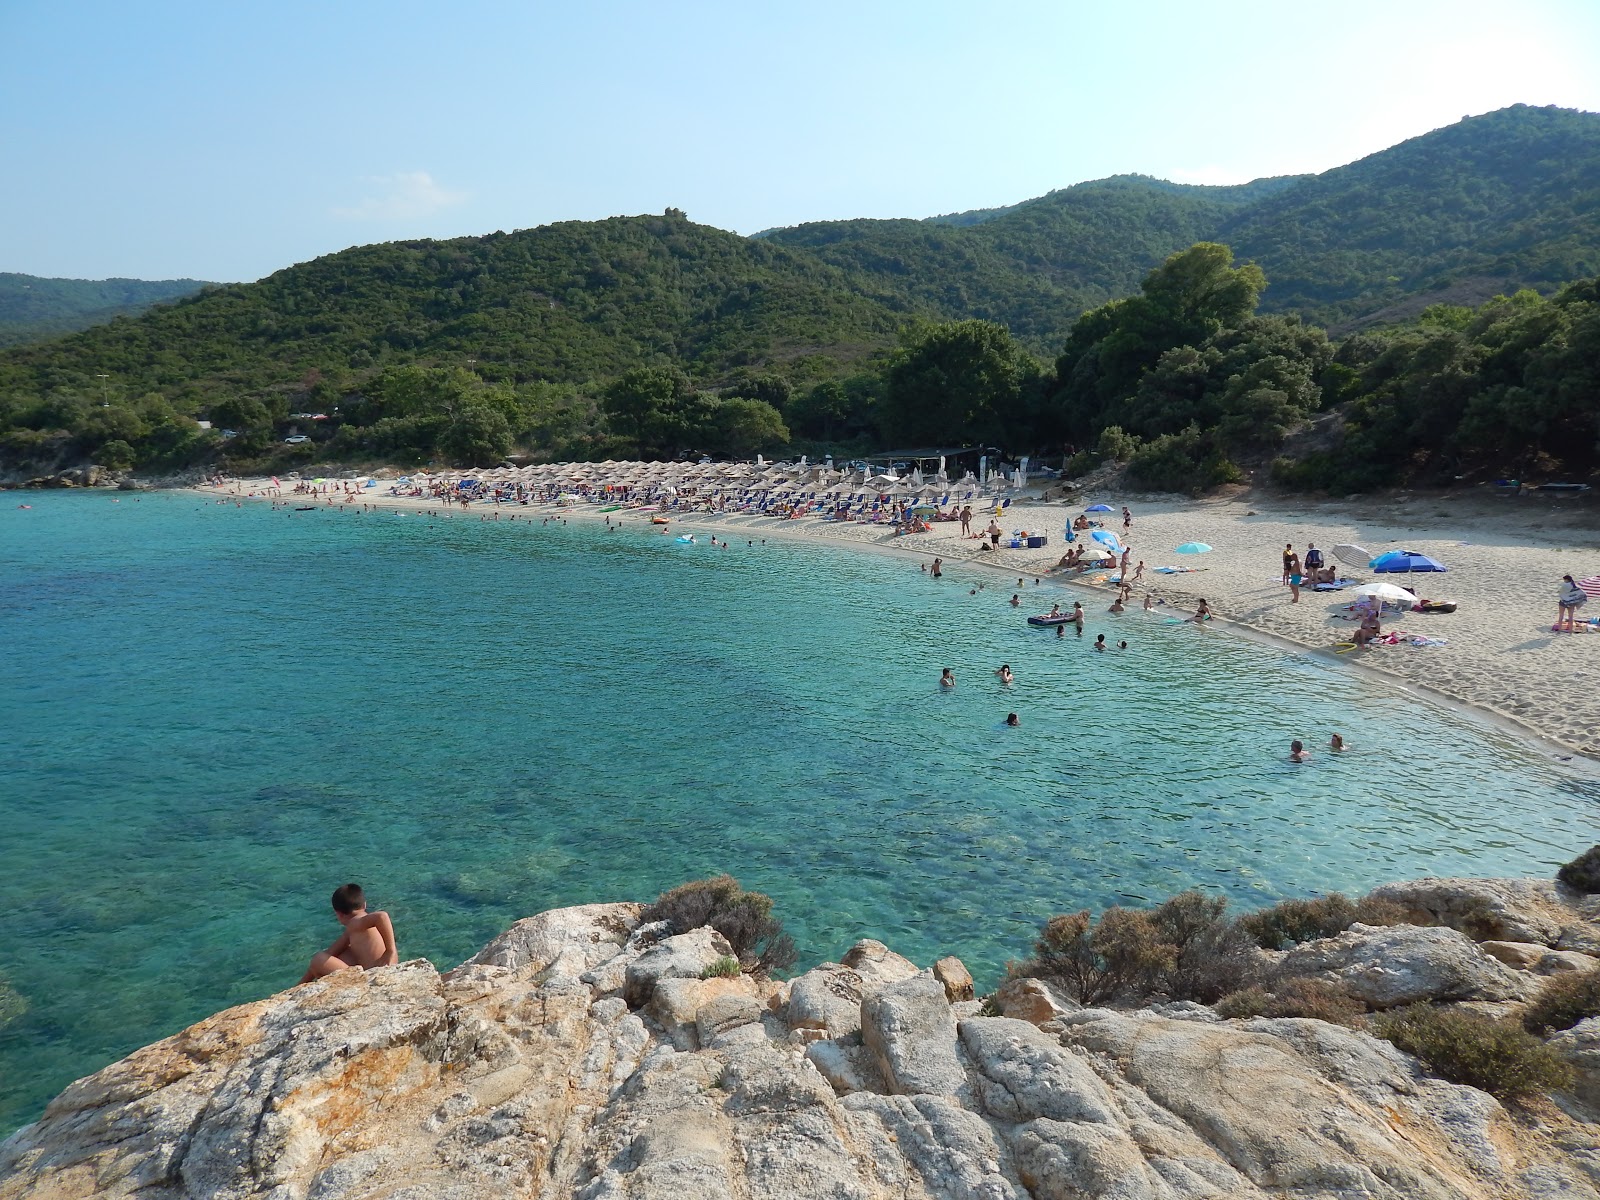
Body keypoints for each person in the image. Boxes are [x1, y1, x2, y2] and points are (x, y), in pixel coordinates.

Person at [299, 883, 398, 984]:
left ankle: (352, 982)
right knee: (344, 953)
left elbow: (382, 916)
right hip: (384, 968)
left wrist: (390, 951)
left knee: (318, 959)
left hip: (374, 975)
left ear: (338, 914)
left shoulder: (357, 922)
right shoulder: (354, 929)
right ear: (364, 904)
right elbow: (331, 953)